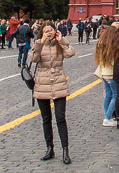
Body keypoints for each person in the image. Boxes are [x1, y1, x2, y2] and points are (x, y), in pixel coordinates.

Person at [31, 22, 75, 165]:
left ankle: (65, 151)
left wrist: (61, 40)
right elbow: (33, 58)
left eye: (50, 30)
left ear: (55, 31)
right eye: (45, 31)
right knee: (46, 119)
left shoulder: (59, 44)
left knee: (60, 117)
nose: (48, 33)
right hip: (42, 84)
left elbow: (70, 53)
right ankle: (50, 148)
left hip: (58, 83)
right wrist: (40, 42)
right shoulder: (39, 44)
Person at [93, 25, 118, 127]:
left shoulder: (101, 43)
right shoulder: (112, 44)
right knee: (116, 95)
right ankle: (107, 118)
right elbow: (113, 62)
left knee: (108, 95)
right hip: (111, 73)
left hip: (103, 73)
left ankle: (106, 116)